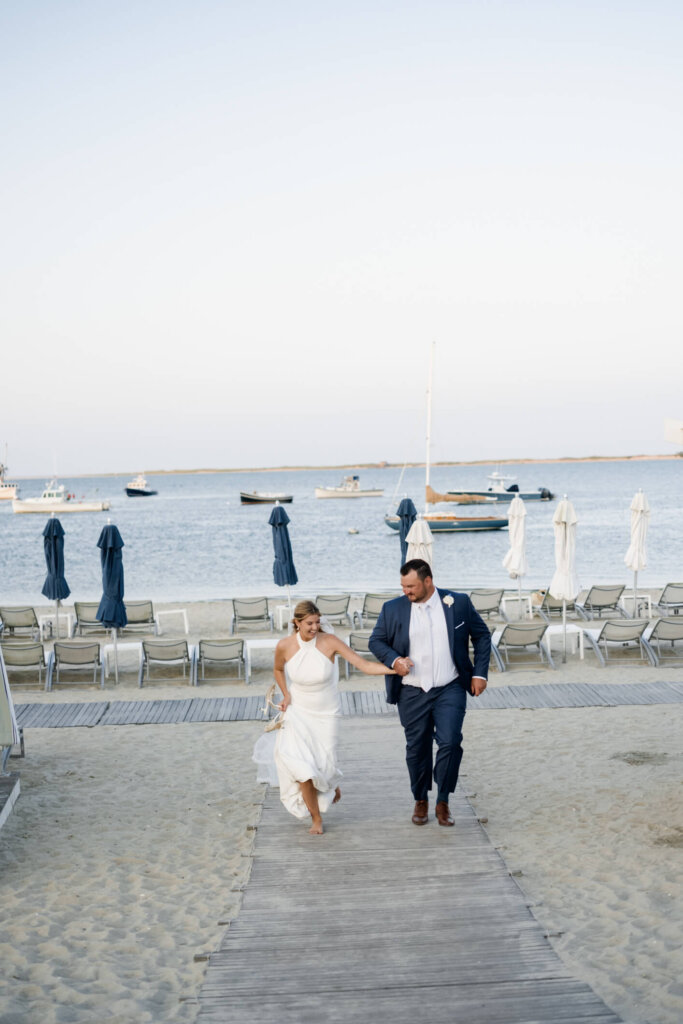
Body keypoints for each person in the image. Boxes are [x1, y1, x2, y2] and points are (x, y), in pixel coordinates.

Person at [368, 559, 491, 827]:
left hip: (450, 687)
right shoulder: (393, 609)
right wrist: (394, 661)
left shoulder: (457, 602)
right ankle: (421, 798)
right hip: (412, 692)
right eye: (403, 586)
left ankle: (443, 799)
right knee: (417, 748)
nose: (406, 592)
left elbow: (482, 636)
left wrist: (480, 674)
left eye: (411, 586)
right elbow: (375, 641)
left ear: (427, 581)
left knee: (450, 743)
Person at [257, 600, 396, 835]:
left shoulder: (329, 642)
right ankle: (316, 818)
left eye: (317, 623)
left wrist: (395, 668)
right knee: (303, 769)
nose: (314, 627)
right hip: (298, 713)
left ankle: (330, 784)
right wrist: (286, 694)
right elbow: (278, 669)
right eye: (309, 623)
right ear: (297, 623)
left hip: (326, 715)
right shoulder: (285, 646)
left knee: (325, 766)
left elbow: (363, 665)